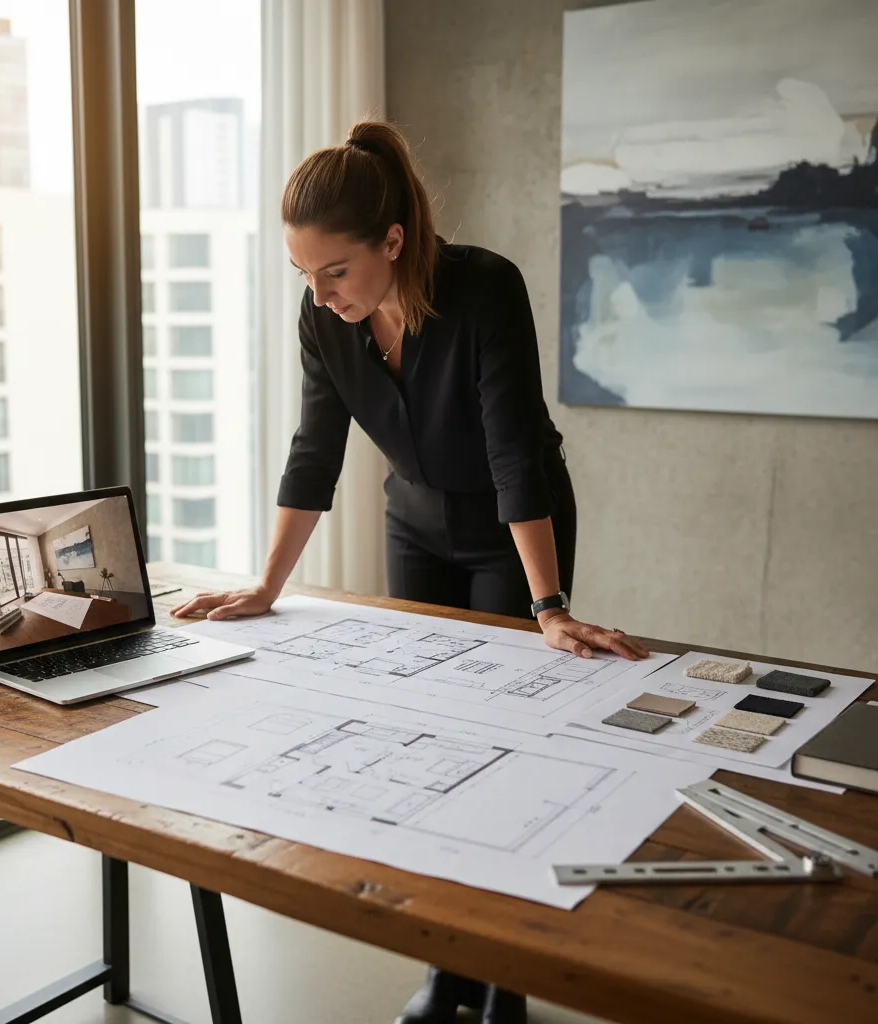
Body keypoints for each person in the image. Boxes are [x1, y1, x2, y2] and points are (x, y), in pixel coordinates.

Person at [172, 120, 648, 1024]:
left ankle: (505, 978)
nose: (319, 294)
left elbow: (514, 451)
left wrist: (549, 605)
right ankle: (446, 969)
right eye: (304, 276)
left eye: (335, 272)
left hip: (514, 528)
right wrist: (267, 584)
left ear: (392, 242)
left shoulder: (484, 288)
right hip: (416, 525)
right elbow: (315, 450)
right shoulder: (328, 319)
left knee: (509, 744)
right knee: (429, 740)